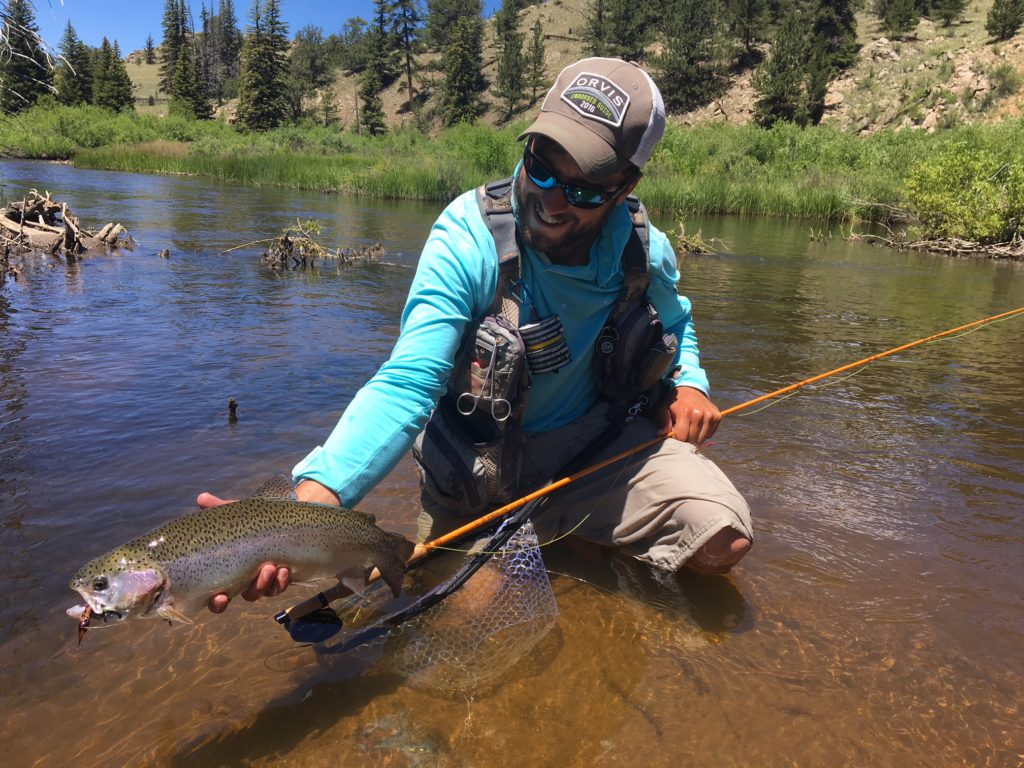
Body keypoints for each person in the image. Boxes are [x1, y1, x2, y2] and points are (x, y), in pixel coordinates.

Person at [203, 58, 752, 614]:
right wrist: (312, 502)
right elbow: (408, 383)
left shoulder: (644, 249)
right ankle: (506, 555)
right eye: (541, 166)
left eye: (584, 190)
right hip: (479, 475)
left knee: (720, 540)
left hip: (594, 455)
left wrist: (691, 385)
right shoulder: (465, 238)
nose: (552, 200)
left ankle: (571, 547)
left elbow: (675, 321)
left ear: (624, 187)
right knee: (469, 620)